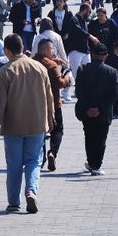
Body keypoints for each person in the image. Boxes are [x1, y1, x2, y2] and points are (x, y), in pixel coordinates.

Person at [0, 34, 54, 214]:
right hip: (37, 123)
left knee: (14, 164)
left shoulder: (6, 70)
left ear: (6, 50)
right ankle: (31, 190)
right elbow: (49, 97)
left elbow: (0, 102)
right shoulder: (39, 68)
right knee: (33, 161)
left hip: (13, 125)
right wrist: (50, 119)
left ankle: (13, 201)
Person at [75, 44, 118, 176]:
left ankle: (91, 162)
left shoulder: (82, 69)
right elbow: (114, 95)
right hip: (104, 112)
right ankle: (96, 165)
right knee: (101, 139)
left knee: (89, 137)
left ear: (92, 55)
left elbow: (79, 92)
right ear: (106, 56)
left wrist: (89, 108)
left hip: (86, 111)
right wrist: (99, 108)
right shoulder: (112, 72)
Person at [32, 39, 70, 172]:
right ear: (44, 50)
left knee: (40, 132)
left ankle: (40, 158)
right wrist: (67, 77)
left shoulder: (32, 62)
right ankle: (52, 152)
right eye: (51, 49)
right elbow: (59, 83)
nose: (53, 52)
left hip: (35, 104)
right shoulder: (51, 66)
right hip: (53, 103)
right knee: (58, 130)